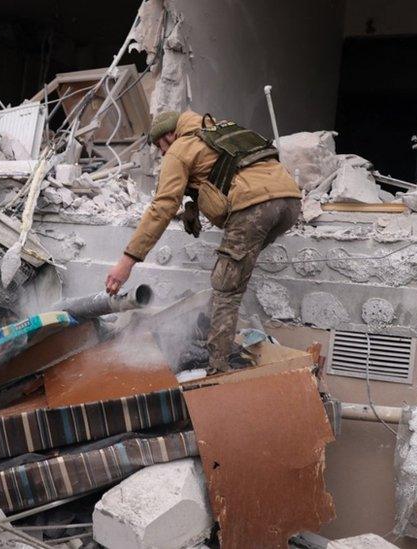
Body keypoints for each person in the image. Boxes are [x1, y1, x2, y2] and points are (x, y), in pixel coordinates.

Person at [105, 110, 301, 372]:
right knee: (231, 272)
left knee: (226, 289)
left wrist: (127, 262)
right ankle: (206, 328)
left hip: (254, 208)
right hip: (289, 203)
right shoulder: (222, 130)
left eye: (161, 147)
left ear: (170, 135)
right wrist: (192, 206)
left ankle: (217, 370)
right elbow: (223, 171)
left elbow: (162, 207)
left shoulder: (180, 148)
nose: (163, 154)